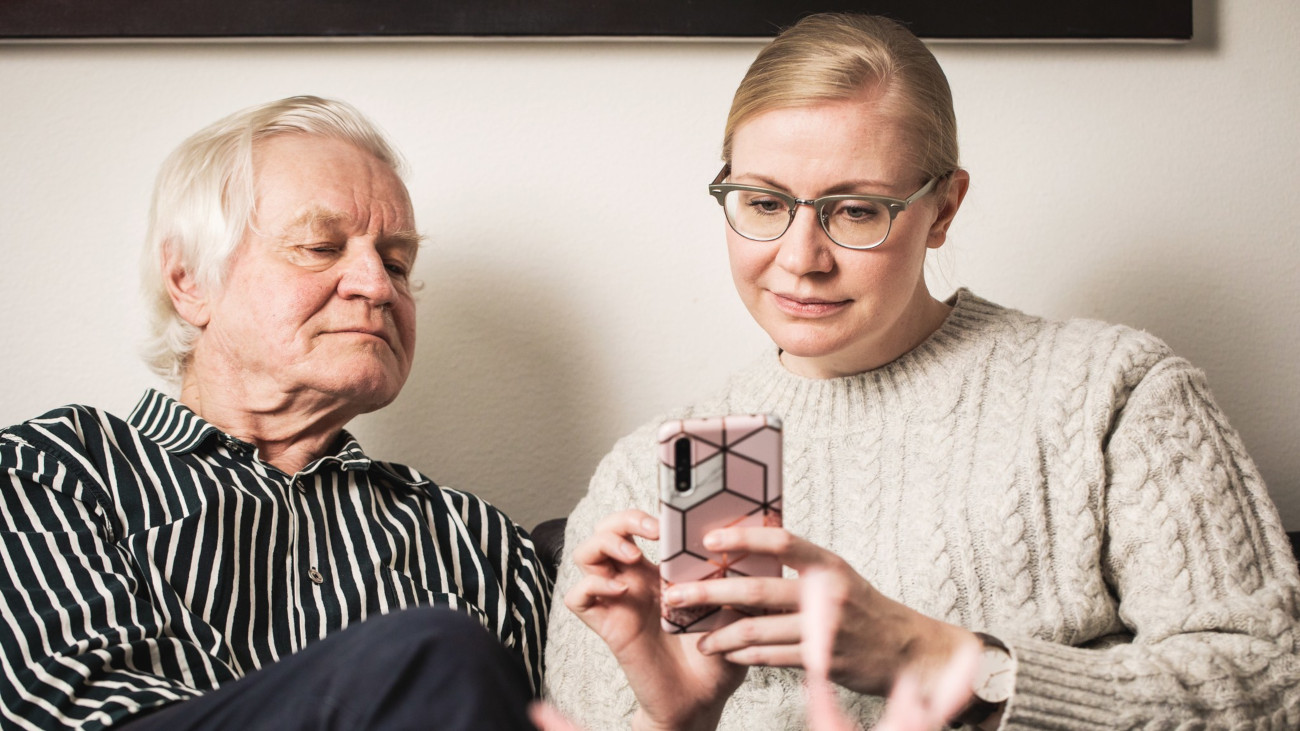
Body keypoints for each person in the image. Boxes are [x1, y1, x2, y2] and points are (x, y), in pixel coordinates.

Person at [544, 12, 1300, 730]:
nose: (801, 258)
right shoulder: (641, 477)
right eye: (765, 202)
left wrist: (940, 660)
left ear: (944, 209)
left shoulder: (1113, 392)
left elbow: (1271, 683)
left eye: (858, 211)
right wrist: (673, 719)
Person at [0, 96, 549, 730]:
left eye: (397, 263)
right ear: (190, 282)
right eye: (320, 247)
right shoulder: (51, 470)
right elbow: (67, 710)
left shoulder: (480, 542)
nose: (377, 286)